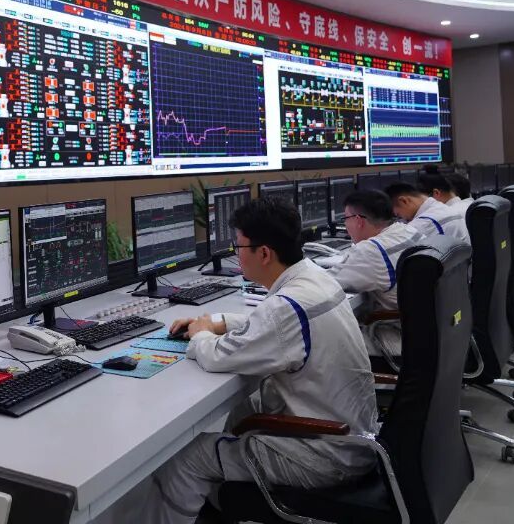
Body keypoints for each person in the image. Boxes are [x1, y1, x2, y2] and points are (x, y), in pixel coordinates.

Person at [112, 199, 378, 524]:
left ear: (264, 253)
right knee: (243, 411)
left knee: (185, 458)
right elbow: (274, 326)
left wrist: (200, 334)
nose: (235, 254)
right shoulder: (313, 279)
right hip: (352, 441)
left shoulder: (286, 307)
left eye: (238, 246)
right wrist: (217, 321)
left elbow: (217, 356)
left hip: (323, 456)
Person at [326, 190, 422, 358]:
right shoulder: (408, 231)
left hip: (397, 339)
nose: (346, 225)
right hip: (426, 333)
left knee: (323, 343)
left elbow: (325, 284)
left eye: (345, 219)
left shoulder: (372, 251)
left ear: (358, 220)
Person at [385, 181, 470, 244]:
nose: (403, 219)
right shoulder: (443, 208)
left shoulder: (422, 224)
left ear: (404, 201)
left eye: (398, 215)